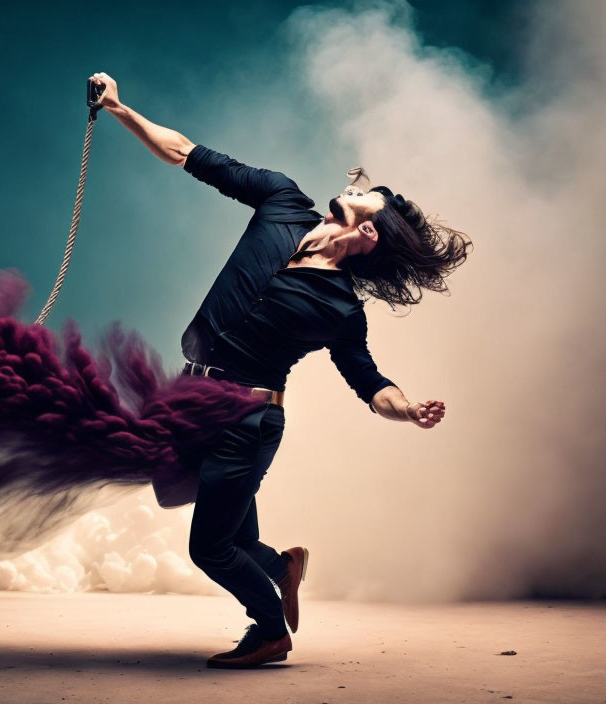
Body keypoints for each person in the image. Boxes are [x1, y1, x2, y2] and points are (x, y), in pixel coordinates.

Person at [88, 72, 471, 668]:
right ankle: (283, 565)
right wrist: (118, 108)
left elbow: (369, 382)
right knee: (236, 536)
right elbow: (186, 153)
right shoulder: (281, 201)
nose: (365, 188)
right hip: (193, 398)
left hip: (247, 422)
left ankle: (270, 631)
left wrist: (409, 409)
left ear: (369, 231)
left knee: (211, 548)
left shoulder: (341, 310)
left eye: (377, 197)